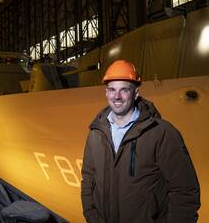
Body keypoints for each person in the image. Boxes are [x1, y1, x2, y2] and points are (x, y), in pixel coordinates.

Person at [81, 60, 200, 223]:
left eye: (124, 90)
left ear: (135, 93)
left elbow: (185, 191)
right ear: (106, 93)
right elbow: (88, 180)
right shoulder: (96, 133)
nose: (117, 96)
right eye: (112, 90)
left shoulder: (161, 133)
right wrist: (92, 216)